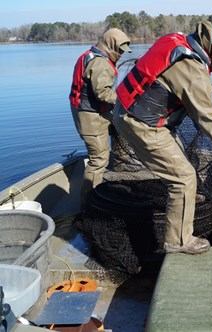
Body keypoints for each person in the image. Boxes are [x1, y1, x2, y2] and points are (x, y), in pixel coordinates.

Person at [113, 21, 212, 255]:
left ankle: (185, 200)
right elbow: (210, 122)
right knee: (183, 178)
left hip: (128, 108)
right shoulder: (192, 70)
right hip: (141, 123)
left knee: (182, 166)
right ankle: (178, 241)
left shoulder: (177, 40)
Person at [69, 28, 132, 207]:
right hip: (90, 117)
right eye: (119, 50)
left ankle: (120, 171)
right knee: (99, 160)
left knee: (121, 128)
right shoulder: (100, 63)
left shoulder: (89, 55)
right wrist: (125, 100)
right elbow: (103, 94)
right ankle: (90, 205)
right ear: (111, 45)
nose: (121, 55)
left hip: (93, 112)